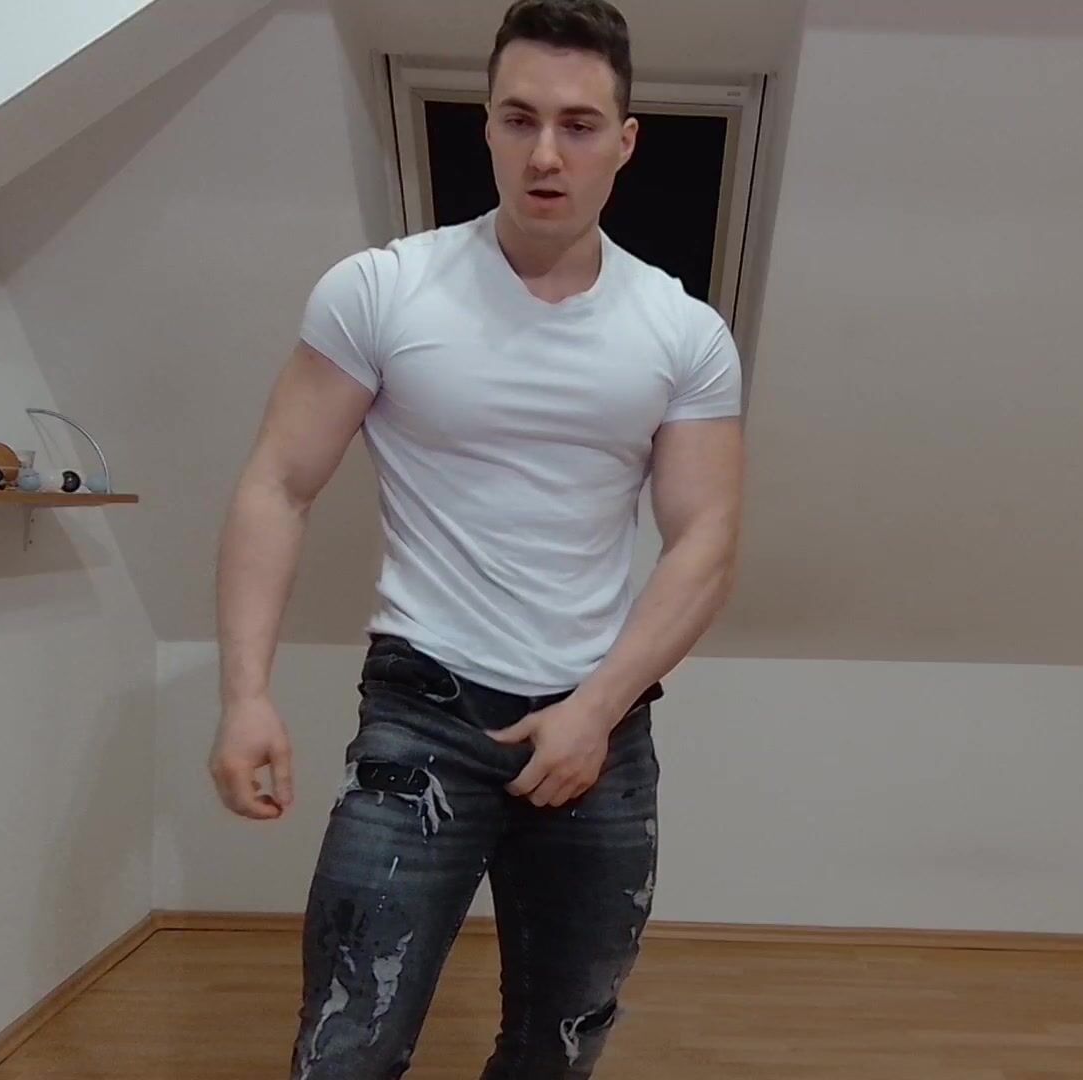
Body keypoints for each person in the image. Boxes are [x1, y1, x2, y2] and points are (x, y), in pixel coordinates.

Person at [207, 0, 745, 1075]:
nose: (547, 153)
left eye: (579, 125)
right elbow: (277, 484)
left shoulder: (683, 331)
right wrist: (245, 694)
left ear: (625, 141)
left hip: (599, 729)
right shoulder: (382, 290)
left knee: (558, 1047)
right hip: (423, 714)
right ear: (487, 126)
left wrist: (595, 711)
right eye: (519, 118)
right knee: (347, 1047)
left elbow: (706, 538)